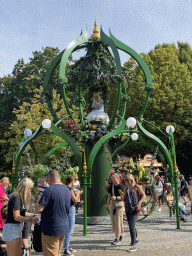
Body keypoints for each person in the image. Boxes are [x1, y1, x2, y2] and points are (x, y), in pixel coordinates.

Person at [35, 170, 71, 256]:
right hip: (64, 227)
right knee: (57, 253)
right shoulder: (67, 189)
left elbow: (38, 209)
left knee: (51, 254)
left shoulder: (49, 190)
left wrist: (37, 202)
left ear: (50, 178)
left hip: (51, 228)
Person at [2, 178, 38, 256]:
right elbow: (17, 216)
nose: (30, 191)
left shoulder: (19, 197)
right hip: (12, 229)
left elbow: (23, 213)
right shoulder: (16, 197)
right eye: (30, 188)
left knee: (18, 254)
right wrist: (31, 219)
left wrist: (34, 215)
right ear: (25, 187)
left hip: (16, 229)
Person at [120, 174, 146, 252]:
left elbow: (143, 195)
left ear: (131, 180)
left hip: (135, 208)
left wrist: (139, 203)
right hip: (128, 208)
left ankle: (133, 244)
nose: (126, 182)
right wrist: (121, 196)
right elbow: (124, 199)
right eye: (125, 180)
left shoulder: (136, 186)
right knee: (131, 225)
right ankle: (136, 238)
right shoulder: (126, 188)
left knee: (131, 226)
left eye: (127, 180)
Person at [63, 175, 81, 256]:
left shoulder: (64, 188)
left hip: (66, 209)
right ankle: (66, 249)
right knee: (70, 230)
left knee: (67, 229)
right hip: (71, 209)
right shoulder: (70, 189)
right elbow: (75, 200)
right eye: (75, 180)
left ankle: (67, 245)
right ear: (73, 180)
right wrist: (78, 193)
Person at [106, 173, 124, 245]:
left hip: (119, 205)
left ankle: (117, 238)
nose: (112, 179)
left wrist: (116, 198)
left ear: (117, 178)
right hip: (112, 205)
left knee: (118, 221)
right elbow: (109, 196)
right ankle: (121, 233)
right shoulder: (112, 186)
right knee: (113, 221)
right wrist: (107, 204)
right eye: (112, 178)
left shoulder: (121, 186)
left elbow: (123, 197)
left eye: (113, 178)